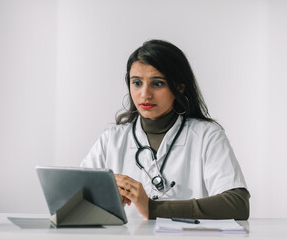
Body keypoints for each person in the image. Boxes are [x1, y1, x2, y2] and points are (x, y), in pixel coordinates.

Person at [81, 39, 250, 220]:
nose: (145, 94)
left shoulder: (206, 135)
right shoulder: (111, 140)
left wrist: (153, 208)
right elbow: (73, 198)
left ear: (179, 86)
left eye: (158, 83)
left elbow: (237, 204)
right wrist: (100, 190)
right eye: (137, 83)